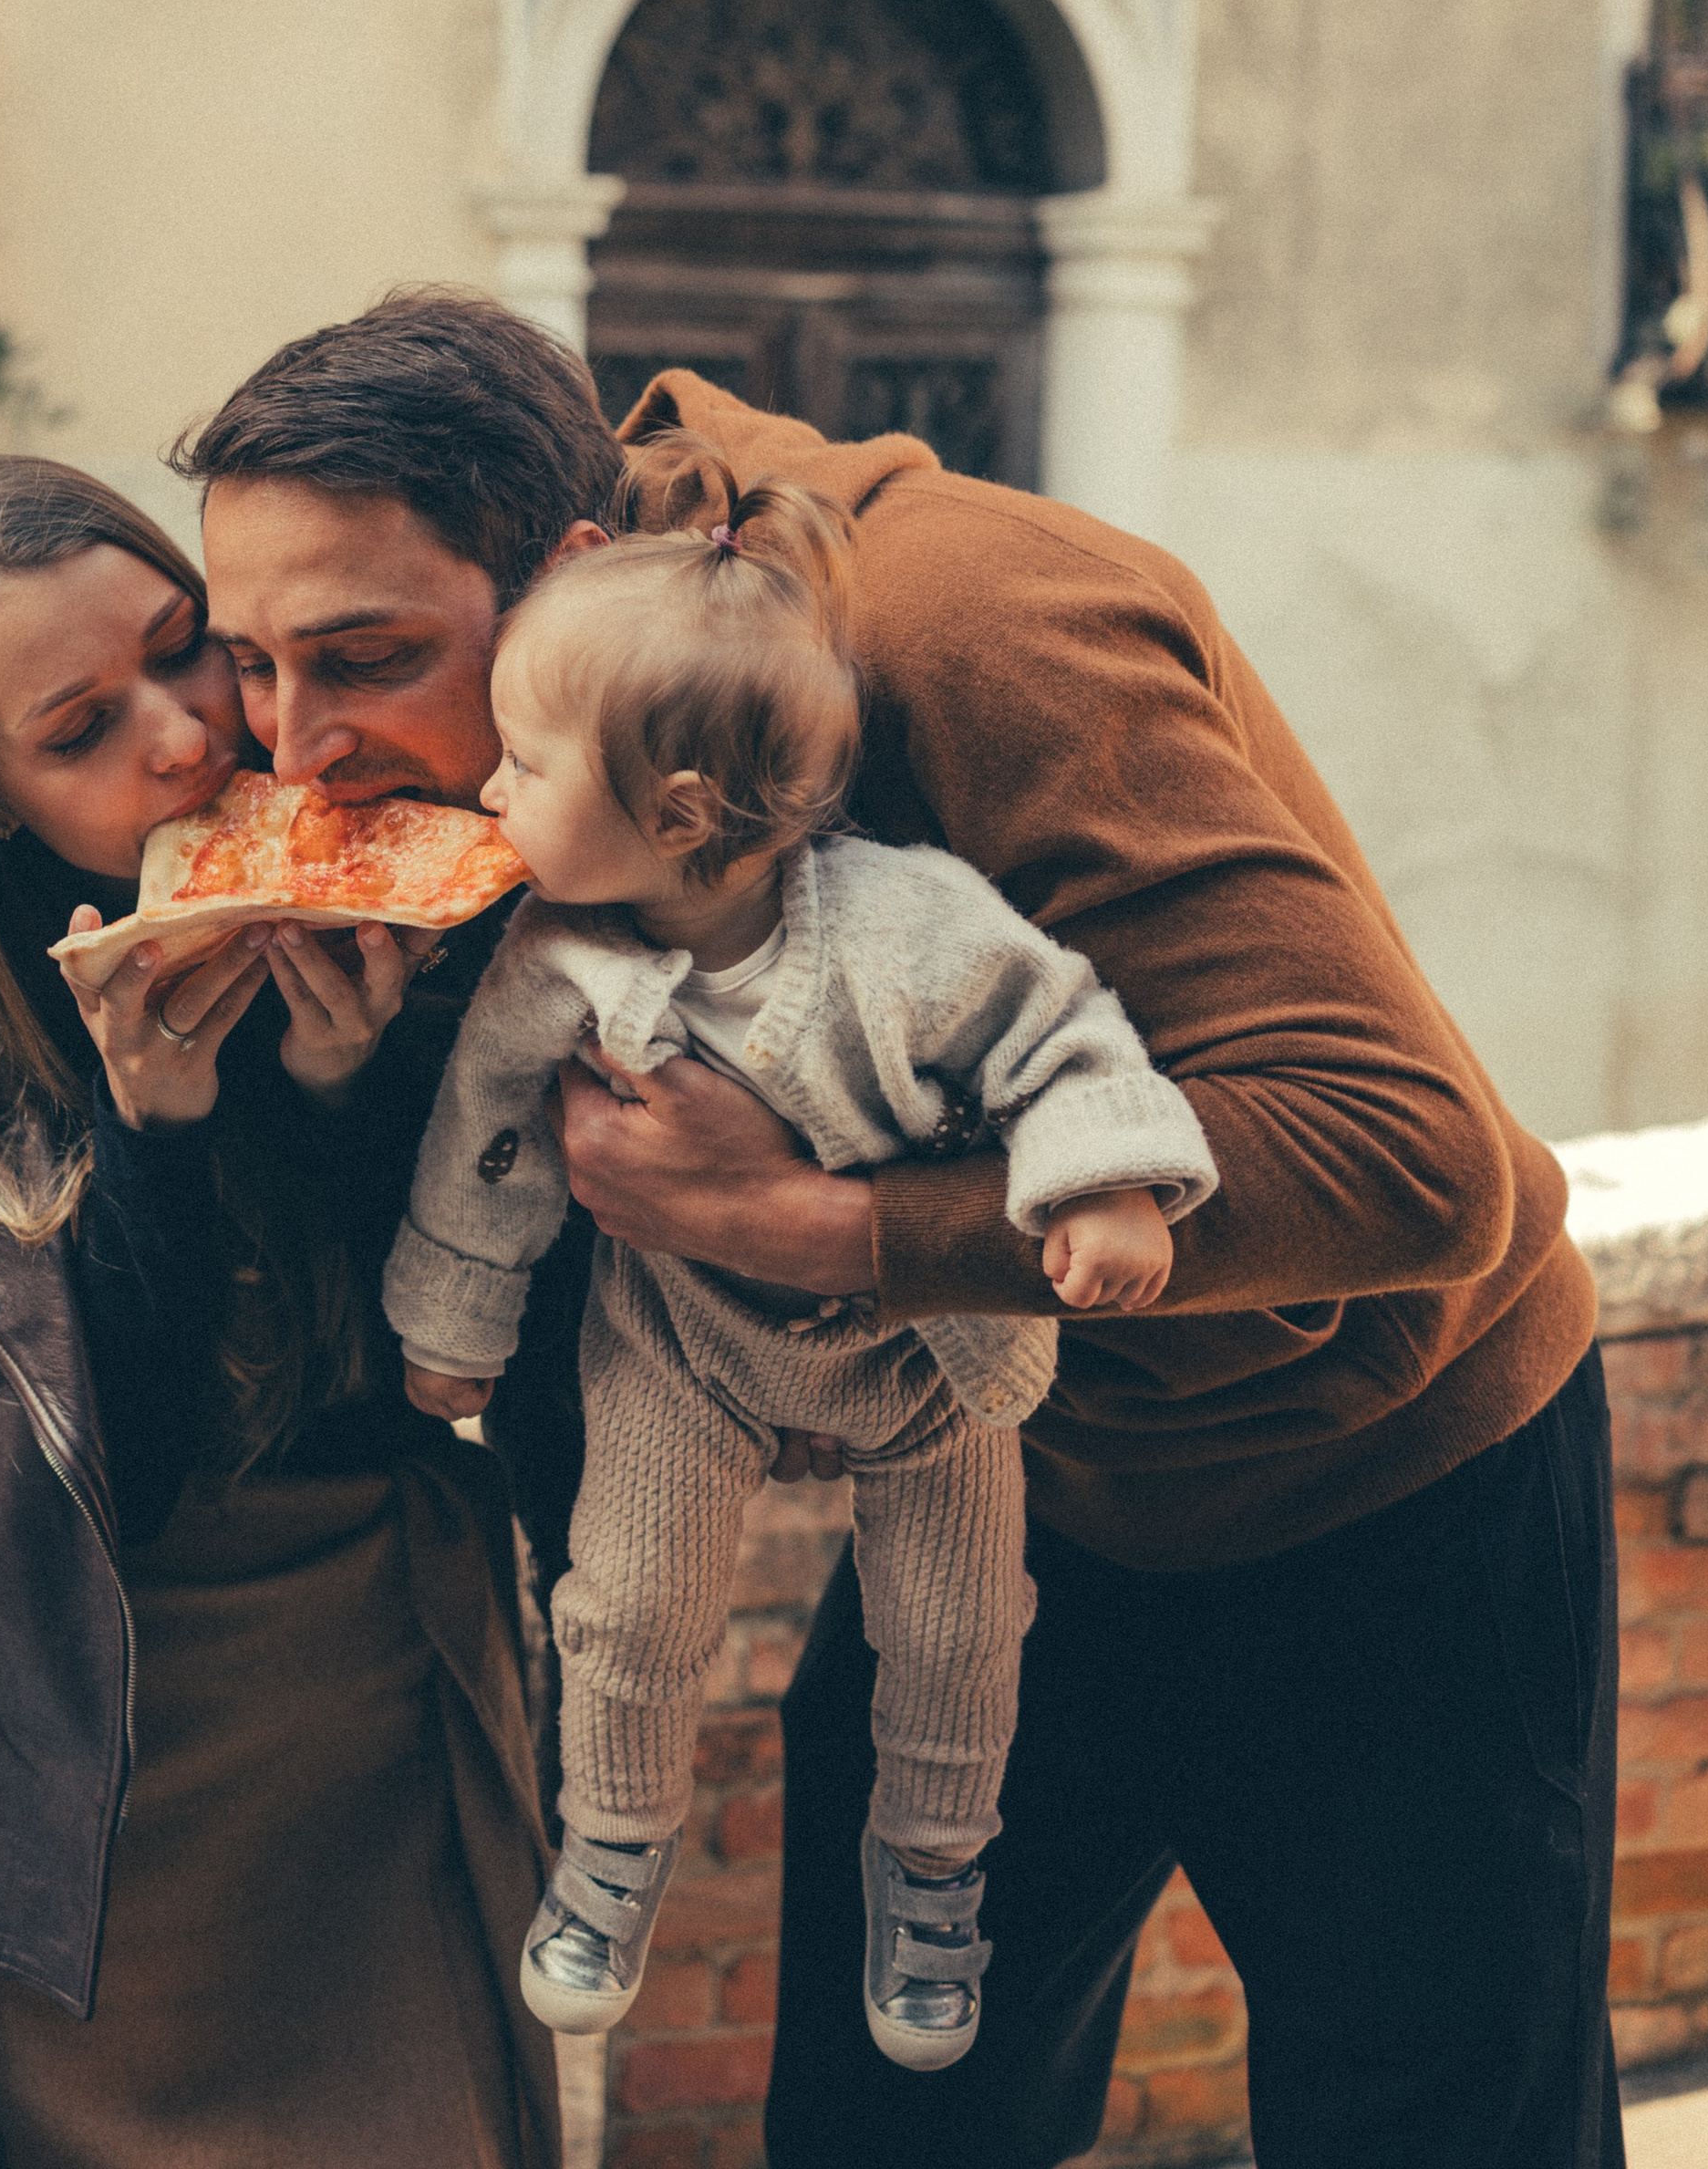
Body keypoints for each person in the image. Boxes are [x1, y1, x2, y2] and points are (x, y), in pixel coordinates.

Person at [180, 289, 1621, 2169]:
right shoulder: (525, 753)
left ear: (569, 568)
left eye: (360, 655)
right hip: (1018, 1476)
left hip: (1388, 1492)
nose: (299, 751)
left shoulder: (972, 624)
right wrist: (325, 1076)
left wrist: (821, 1224)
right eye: (250, 667)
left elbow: (1416, 1160)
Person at [0, 455, 560, 2169]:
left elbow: (435, 1369)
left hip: (397, 1725)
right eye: (78, 729)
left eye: (186, 649)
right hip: (87, 1831)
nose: (182, 738)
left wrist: (338, 1095)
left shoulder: (385, 896)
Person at [378, 450, 1214, 2070]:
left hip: (927, 1360)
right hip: (682, 1344)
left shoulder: (913, 933)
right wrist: (457, 1321)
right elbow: (487, 1137)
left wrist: (1104, 1192)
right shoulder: (551, 958)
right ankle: (612, 1848)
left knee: (962, 1625)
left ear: (677, 814)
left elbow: (1067, 1037)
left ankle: (932, 1874)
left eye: (525, 761)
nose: (490, 789)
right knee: (622, 1607)